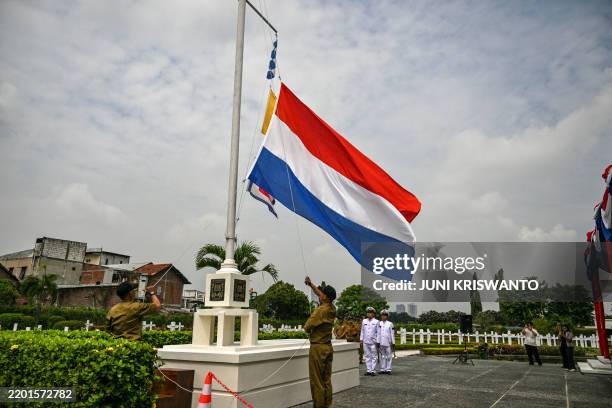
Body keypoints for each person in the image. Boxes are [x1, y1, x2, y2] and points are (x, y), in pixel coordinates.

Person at [304, 276, 337, 408]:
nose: (320, 293)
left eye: (322, 293)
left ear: (325, 297)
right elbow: (322, 295)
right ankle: (327, 405)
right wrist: (311, 285)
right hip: (328, 347)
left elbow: (307, 327)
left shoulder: (320, 311)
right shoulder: (332, 308)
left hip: (317, 349)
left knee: (316, 381)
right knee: (326, 380)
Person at [360, 306, 379, 376]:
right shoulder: (364, 321)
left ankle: (373, 370)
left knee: (374, 356)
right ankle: (368, 370)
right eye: (368, 313)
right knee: (367, 356)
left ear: (373, 314)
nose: (369, 314)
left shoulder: (376, 321)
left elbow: (378, 332)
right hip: (365, 341)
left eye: (371, 313)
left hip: (373, 342)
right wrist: (361, 339)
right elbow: (362, 331)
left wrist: (377, 341)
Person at [377, 309, 395, 374]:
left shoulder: (390, 324)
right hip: (381, 342)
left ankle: (388, 369)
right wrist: (378, 342)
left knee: (389, 356)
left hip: (388, 342)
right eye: (382, 315)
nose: (383, 317)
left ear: (387, 316)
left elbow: (392, 334)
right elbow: (378, 333)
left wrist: (393, 342)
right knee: (382, 356)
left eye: (385, 315)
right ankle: (382, 369)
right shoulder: (379, 323)